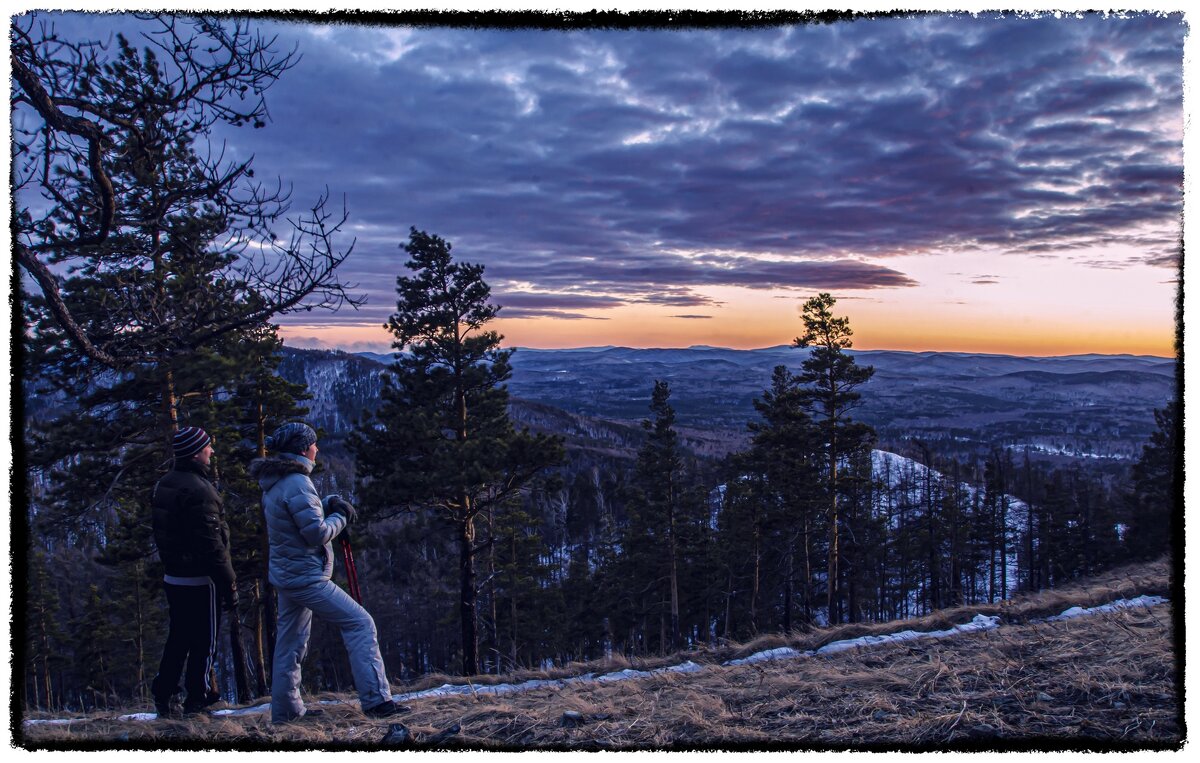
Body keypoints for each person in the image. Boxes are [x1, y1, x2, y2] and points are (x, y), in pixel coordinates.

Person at [251, 421, 403, 722]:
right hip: (307, 577)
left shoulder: (276, 481)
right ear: (303, 449)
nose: (317, 449)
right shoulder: (297, 482)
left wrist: (325, 503)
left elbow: (294, 516)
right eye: (314, 444)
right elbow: (316, 534)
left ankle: (286, 712)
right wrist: (339, 517)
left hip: (287, 574)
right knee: (360, 623)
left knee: (290, 643)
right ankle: (377, 701)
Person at [150, 426, 238, 718]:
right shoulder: (199, 491)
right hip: (200, 580)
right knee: (204, 642)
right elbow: (213, 546)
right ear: (196, 453)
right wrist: (229, 584)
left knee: (179, 638)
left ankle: (164, 693)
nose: (212, 451)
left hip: (174, 576)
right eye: (208, 447)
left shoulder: (166, 483)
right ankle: (197, 699)